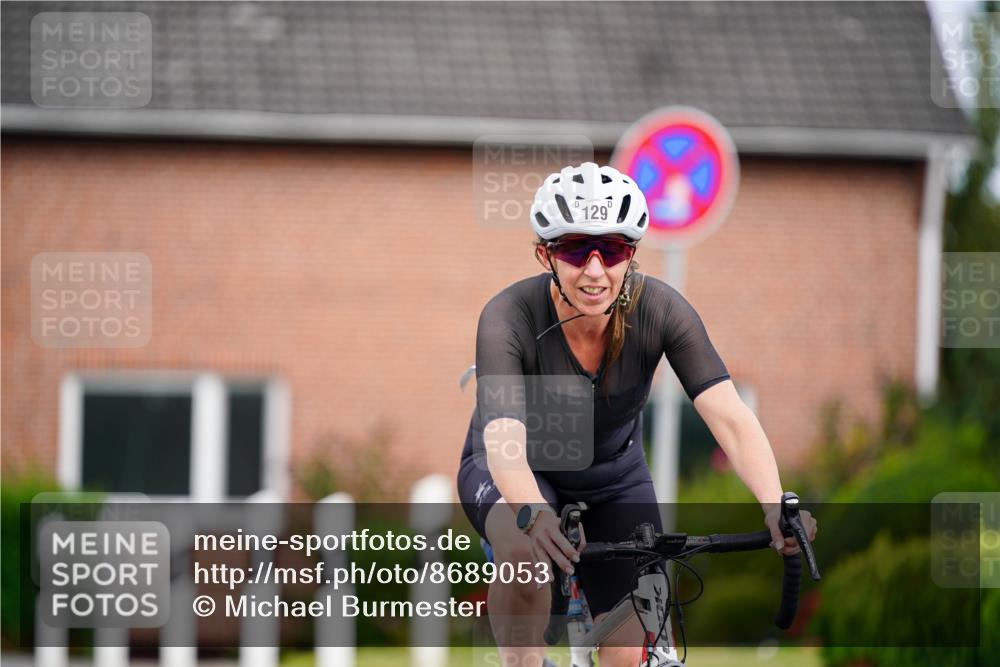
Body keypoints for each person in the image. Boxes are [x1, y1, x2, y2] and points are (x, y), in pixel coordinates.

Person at [457, 162, 817, 667]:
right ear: (546, 254)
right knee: (524, 558)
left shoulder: (662, 311)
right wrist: (533, 513)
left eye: (615, 250)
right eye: (577, 249)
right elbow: (503, 441)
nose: (595, 269)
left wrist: (774, 502)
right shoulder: (507, 317)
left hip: (614, 479)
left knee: (630, 652)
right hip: (518, 473)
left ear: (633, 254)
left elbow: (730, 417)